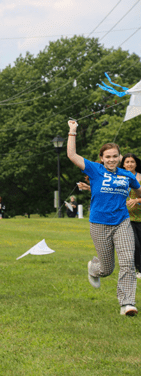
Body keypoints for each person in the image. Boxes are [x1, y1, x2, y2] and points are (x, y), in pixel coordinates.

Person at [67, 120, 141, 316]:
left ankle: (127, 303)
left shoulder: (127, 176)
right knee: (107, 268)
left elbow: (139, 191)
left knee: (127, 262)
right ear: (101, 158)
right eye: (107, 157)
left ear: (119, 157)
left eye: (115, 156)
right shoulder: (94, 169)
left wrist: (138, 199)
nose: (111, 159)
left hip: (122, 222)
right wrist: (72, 131)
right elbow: (71, 155)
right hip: (99, 223)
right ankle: (94, 268)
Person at [121, 153, 141, 279]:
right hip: (126, 217)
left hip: (140, 216)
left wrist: (137, 200)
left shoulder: (140, 177)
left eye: (132, 161)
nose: (129, 164)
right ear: (123, 164)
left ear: (136, 163)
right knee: (135, 245)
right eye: (127, 161)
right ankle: (137, 270)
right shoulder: (119, 177)